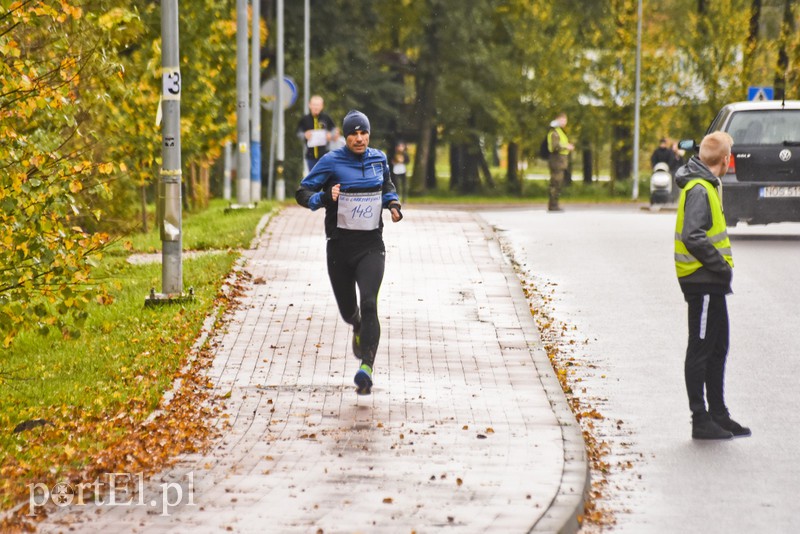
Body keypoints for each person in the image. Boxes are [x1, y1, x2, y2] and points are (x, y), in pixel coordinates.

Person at [295, 110, 403, 396]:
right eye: (354, 133)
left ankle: (366, 368)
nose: (359, 138)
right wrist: (323, 198)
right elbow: (302, 192)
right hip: (339, 247)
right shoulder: (331, 161)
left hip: (371, 246)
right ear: (345, 136)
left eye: (363, 133)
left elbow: (387, 185)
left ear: (369, 134)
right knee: (349, 311)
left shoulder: (379, 158)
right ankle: (356, 325)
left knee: (369, 303)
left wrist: (392, 204)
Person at [673, 131, 750, 440]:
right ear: (726, 160)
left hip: (712, 282)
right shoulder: (699, 189)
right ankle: (700, 419)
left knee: (718, 347)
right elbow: (693, 235)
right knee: (701, 348)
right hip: (702, 279)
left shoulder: (707, 184)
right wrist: (719, 265)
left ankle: (718, 414)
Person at [296, 95, 336, 171]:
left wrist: (330, 135)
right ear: (309, 105)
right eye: (314, 105)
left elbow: (334, 130)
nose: (316, 107)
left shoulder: (326, 118)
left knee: (325, 177)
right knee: (313, 178)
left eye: (318, 105)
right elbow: (298, 132)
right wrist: (304, 135)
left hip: (325, 155)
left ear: (322, 106)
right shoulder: (305, 119)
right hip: (310, 156)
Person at [547, 113, 574, 212]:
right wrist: (566, 146)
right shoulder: (555, 132)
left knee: (557, 183)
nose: (565, 122)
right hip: (556, 161)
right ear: (558, 120)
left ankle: (554, 205)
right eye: (563, 120)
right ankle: (553, 205)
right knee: (555, 183)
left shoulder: (559, 131)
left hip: (560, 161)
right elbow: (555, 147)